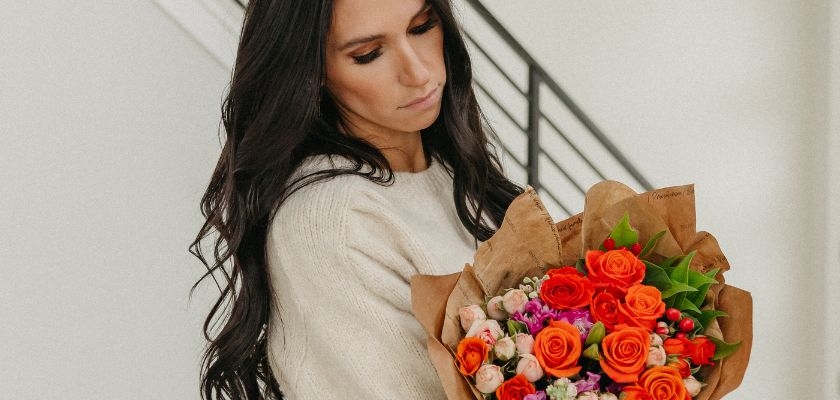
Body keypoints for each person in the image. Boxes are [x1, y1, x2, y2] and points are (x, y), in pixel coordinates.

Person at [191, 0, 522, 398]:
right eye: (368, 55)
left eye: (421, 27)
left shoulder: (454, 172)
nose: (418, 73)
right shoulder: (334, 220)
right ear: (313, 72)